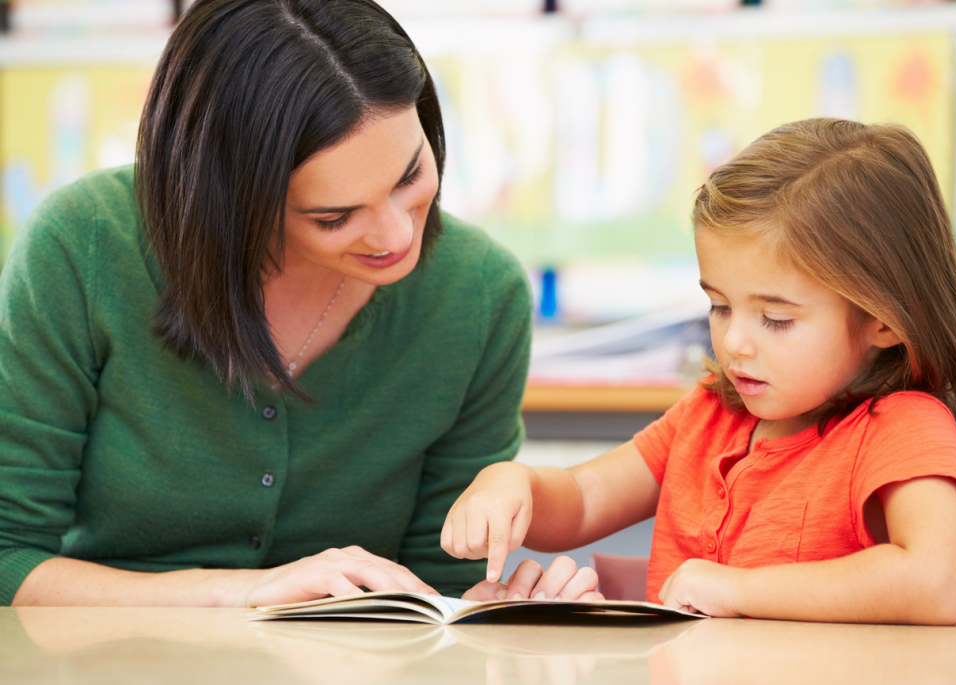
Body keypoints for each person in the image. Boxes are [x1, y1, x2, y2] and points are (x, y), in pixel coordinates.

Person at [0, 0, 596, 607]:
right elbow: (7, 559)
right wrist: (248, 593)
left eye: (410, 175)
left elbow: (433, 587)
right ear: (231, 202)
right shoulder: (84, 246)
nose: (396, 237)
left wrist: (484, 610)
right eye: (334, 216)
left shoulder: (478, 294)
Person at [443, 118, 956, 623]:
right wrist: (512, 484)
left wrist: (738, 590)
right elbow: (587, 499)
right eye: (719, 306)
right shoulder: (709, 413)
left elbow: (941, 581)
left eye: (776, 319)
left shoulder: (901, 427)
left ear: (883, 321)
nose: (734, 342)